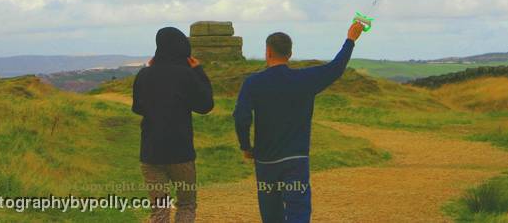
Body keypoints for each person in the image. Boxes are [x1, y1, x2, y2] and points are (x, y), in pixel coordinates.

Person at [233, 21, 365, 222]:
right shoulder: (305, 79)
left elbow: (241, 116)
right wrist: (350, 39)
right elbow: (336, 68)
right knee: (298, 213)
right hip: (296, 160)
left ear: (268, 52)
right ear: (290, 54)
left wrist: (245, 146)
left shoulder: (253, 82)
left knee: (271, 216)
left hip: (266, 161)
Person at [132, 26, 214, 223]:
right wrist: (199, 71)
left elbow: (138, 108)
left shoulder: (144, 75)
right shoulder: (186, 75)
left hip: (151, 151)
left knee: (159, 209)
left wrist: (148, 70)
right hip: (181, 151)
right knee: (186, 204)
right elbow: (205, 105)